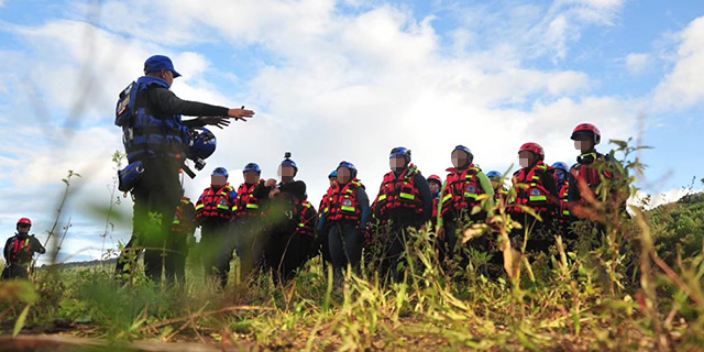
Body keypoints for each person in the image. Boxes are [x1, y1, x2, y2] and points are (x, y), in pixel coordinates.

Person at [114, 54, 254, 282]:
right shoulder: (156, 91)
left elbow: (161, 126)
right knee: (160, 230)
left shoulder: (138, 98)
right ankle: (155, 289)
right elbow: (177, 106)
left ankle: (120, 283)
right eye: (172, 76)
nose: (172, 80)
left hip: (140, 171)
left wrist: (200, 121)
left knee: (141, 233)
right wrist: (226, 111)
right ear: (163, 73)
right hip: (160, 171)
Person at [372, 147, 432, 282]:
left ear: (406, 160)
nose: (395, 162)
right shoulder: (386, 180)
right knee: (395, 257)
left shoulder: (417, 178)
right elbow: (379, 201)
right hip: (392, 224)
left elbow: (428, 201)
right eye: (392, 160)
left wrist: (424, 224)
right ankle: (399, 285)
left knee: (412, 256)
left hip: (411, 222)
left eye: (398, 159)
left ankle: (416, 285)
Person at [254, 153, 313, 284]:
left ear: (294, 172)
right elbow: (256, 194)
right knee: (274, 262)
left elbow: (300, 187)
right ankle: (277, 290)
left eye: (289, 169)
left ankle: (289, 292)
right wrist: (264, 186)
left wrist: (279, 191)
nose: (285, 171)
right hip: (272, 229)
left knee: (289, 263)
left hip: (290, 228)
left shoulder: (297, 187)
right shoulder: (272, 188)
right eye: (283, 169)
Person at [436, 145, 495, 269]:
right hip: (454, 223)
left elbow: (490, 195)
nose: (458, 159)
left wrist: (490, 216)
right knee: (457, 255)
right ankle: (459, 285)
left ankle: (480, 283)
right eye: (455, 156)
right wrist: (440, 225)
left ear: (469, 158)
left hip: (475, 221)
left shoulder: (479, 175)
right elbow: (441, 203)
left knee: (477, 255)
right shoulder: (448, 180)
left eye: (461, 156)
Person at [318, 161, 371, 280]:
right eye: (340, 172)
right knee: (336, 261)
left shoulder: (358, 190)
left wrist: (362, 229)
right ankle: (339, 292)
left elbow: (365, 208)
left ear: (351, 174)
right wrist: (320, 230)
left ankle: (359, 289)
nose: (342, 175)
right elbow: (325, 211)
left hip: (351, 228)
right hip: (334, 228)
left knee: (353, 262)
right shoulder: (331, 192)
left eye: (345, 172)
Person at [507, 143, 560, 254]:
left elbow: (555, 200)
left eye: (526, 156)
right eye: (521, 156)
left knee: (540, 249)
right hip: (520, 219)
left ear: (537, 157)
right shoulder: (517, 176)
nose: (523, 159)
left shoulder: (545, 175)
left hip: (540, 219)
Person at [196, 167, 238, 288]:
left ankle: (221, 288)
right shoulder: (205, 193)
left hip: (223, 229)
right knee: (207, 260)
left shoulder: (231, 194)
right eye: (215, 178)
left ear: (225, 179)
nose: (217, 180)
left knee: (222, 260)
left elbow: (236, 211)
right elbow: (198, 207)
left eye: (220, 178)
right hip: (207, 229)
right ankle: (209, 288)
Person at [231, 163, 265, 283]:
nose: (250, 176)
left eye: (253, 174)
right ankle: (244, 287)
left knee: (256, 260)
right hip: (241, 228)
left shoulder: (263, 189)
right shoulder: (240, 190)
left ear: (257, 175)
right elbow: (235, 211)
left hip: (255, 228)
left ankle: (257, 287)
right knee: (243, 260)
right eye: (247, 174)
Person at [168, 194, 196, 284]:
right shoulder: (167, 204)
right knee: (170, 268)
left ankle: (179, 293)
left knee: (178, 268)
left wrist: (190, 235)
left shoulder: (188, 206)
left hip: (181, 240)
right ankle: (170, 292)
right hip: (170, 239)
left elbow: (192, 223)